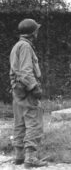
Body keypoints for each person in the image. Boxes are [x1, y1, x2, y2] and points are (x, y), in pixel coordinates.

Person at [9, 18, 47, 168]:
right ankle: (30, 158)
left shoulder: (17, 45)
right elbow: (25, 71)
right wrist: (34, 87)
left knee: (19, 122)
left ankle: (19, 156)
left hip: (17, 90)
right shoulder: (25, 46)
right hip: (26, 90)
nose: (37, 32)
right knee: (34, 123)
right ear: (33, 32)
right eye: (36, 30)